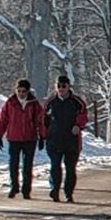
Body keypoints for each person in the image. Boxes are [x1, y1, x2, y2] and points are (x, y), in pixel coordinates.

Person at [0, 78, 45, 199]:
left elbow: (40, 121)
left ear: (28, 91)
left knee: (27, 165)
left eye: (24, 91)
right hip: (14, 137)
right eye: (19, 90)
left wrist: (42, 136)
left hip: (30, 138)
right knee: (13, 164)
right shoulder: (10, 103)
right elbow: (3, 119)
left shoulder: (34, 104)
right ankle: (14, 186)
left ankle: (26, 190)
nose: (21, 93)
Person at [42, 74, 88, 203]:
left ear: (69, 87)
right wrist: (44, 135)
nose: (61, 89)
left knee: (70, 169)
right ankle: (54, 190)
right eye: (58, 86)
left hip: (71, 141)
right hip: (54, 140)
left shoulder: (77, 102)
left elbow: (84, 116)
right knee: (55, 166)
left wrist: (78, 126)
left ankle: (69, 193)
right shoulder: (50, 102)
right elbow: (43, 120)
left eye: (63, 86)